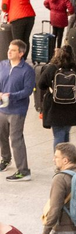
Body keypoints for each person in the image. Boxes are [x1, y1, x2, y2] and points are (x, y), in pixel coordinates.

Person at [0, 40, 34, 182]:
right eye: (9, 49)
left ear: (21, 53)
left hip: (17, 110)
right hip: (2, 108)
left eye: (13, 50)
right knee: (2, 135)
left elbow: (27, 91)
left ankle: (23, 171)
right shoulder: (3, 65)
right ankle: (6, 159)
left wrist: (11, 96)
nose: (9, 52)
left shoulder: (27, 70)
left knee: (16, 139)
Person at [36, 47, 76, 146]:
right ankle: (67, 157)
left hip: (54, 106)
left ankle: (59, 159)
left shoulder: (52, 68)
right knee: (66, 132)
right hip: (71, 107)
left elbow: (41, 84)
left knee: (58, 135)